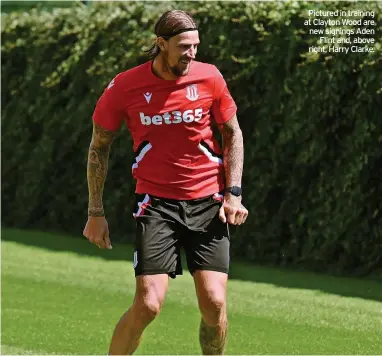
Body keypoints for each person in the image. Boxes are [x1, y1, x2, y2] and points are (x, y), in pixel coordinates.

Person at [83, 9, 248, 356]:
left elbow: (232, 132)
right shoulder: (125, 86)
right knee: (148, 305)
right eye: (184, 47)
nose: (192, 54)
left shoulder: (210, 77)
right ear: (161, 44)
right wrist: (95, 211)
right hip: (156, 205)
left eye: (195, 46)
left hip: (208, 203)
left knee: (214, 304)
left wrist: (233, 193)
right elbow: (99, 146)